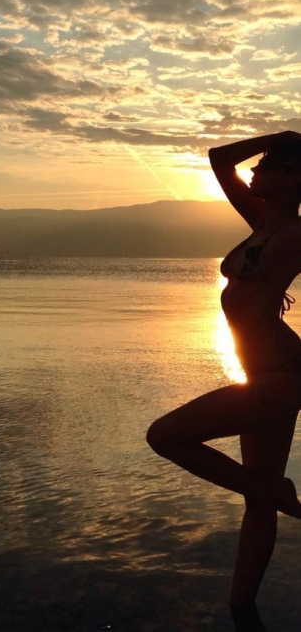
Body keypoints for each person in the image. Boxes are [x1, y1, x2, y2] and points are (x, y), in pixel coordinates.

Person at [146, 130, 301, 631]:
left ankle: (278, 492)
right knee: (257, 503)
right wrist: (279, 137)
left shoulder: (296, 234)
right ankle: (242, 607)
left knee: (165, 436)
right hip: (263, 373)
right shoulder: (262, 222)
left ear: (293, 178)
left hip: (280, 376)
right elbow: (218, 160)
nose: (255, 167)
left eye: (268, 162)